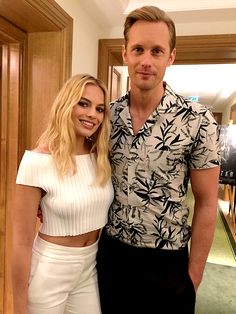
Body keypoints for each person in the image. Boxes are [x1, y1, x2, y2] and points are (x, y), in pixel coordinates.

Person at [96, 5, 221, 314]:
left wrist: (193, 277)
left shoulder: (198, 120)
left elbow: (206, 203)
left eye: (157, 51)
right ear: (125, 54)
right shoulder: (105, 116)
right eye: (138, 49)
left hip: (168, 264)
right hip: (111, 258)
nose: (146, 61)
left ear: (171, 57)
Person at [11, 74, 114, 314]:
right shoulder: (37, 161)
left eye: (99, 109)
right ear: (66, 104)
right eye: (83, 103)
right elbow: (21, 242)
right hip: (50, 269)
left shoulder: (100, 156)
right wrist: (18, 306)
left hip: (90, 266)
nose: (92, 114)